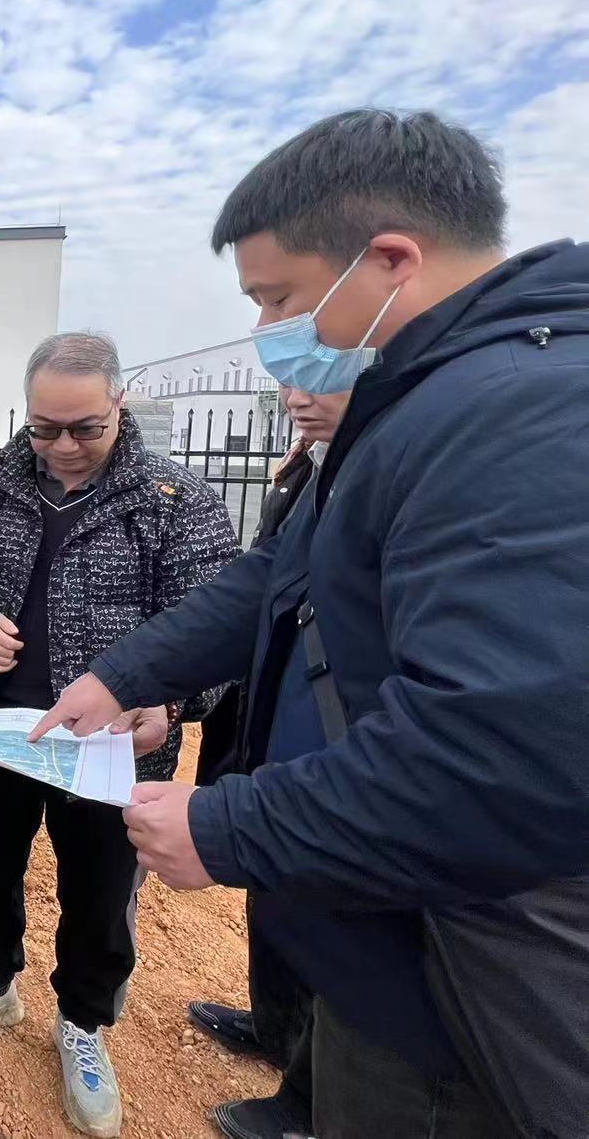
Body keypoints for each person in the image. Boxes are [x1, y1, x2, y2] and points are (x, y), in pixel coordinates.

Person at [39, 109, 589, 1138]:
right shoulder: (425, 400)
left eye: (280, 298)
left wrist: (226, 827)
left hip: (461, 990)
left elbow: (500, 755)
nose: (268, 332)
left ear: (390, 261)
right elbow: (275, 578)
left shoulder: (522, 414)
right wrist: (124, 674)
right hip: (381, 939)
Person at [0, 332, 238, 1139]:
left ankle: (84, 1021)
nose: (62, 446)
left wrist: (171, 704)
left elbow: (217, 629)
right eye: (44, 429)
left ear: (118, 406)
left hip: (113, 747)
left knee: (99, 892)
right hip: (0, 726)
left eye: (84, 428)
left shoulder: (174, 500)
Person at [188, 384, 348, 1139]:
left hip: (333, 739)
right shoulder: (313, 465)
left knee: (335, 919)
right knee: (277, 891)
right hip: (272, 715)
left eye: (320, 375)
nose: (294, 395)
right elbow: (261, 581)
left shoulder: (391, 465)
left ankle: (306, 1104)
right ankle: (275, 1023)